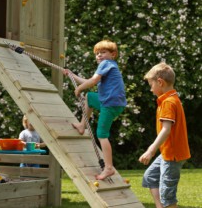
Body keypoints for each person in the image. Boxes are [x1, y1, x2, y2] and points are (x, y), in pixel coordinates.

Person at [63, 40, 127, 180]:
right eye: (97, 54)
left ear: (113, 54)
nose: (99, 56)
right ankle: (82, 125)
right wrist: (72, 75)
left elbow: (92, 82)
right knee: (90, 97)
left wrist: (79, 88)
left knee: (102, 134)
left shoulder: (106, 64)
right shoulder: (110, 65)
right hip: (111, 103)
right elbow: (90, 80)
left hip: (110, 104)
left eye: (103, 52)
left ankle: (108, 168)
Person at [139, 62, 191, 208]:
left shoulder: (169, 102)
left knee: (167, 195)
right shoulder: (171, 98)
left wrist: (151, 150)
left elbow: (166, 129)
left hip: (172, 155)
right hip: (167, 153)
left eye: (151, 85)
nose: (151, 89)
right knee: (150, 177)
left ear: (160, 82)